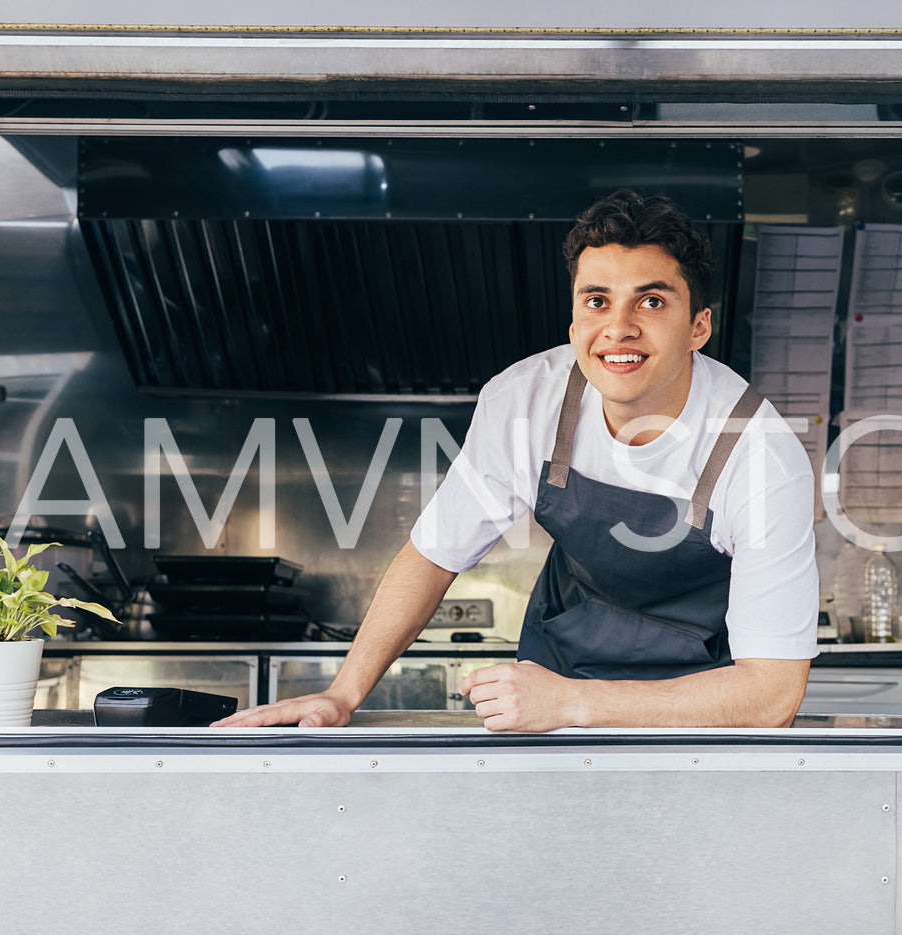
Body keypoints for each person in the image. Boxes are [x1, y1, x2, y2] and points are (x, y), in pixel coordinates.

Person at [214, 189, 818, 732]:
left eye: (652, 301)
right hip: (560, 670)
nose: (619, 328)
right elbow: (433, 553)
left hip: (699, 703)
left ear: (698, 327)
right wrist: (343, 694)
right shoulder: (529, 400)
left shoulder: (758, 452)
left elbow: (771, 696)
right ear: (575, 315)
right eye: (597, 300)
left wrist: (576, 704)